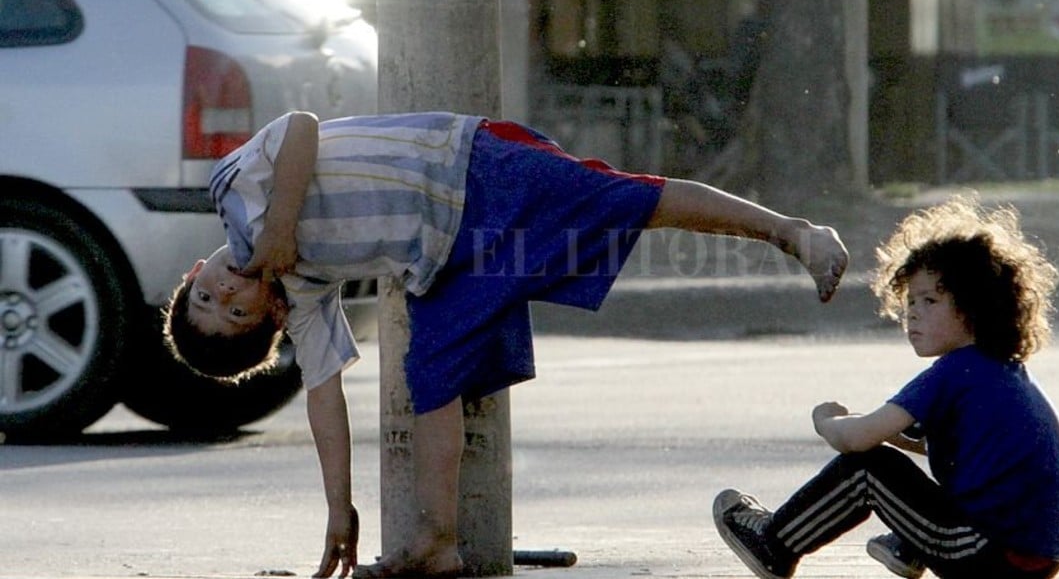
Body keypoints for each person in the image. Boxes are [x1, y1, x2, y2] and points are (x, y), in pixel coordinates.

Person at [163, 110, 850, 579]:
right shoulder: (302, 292)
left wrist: (280, 225)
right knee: (430, 374)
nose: (225, 292)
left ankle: (793, 233)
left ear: (194, 271)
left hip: (470, 163)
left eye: (206, 295)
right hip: (446, 258)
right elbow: (324, 400)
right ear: (271, 318)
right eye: (235, 313)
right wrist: (338, 508)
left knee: (625, 199)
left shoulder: (235, 194)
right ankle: (437, 541)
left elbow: (300, 128)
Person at [711, 195, 1059, 579]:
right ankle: (910, 545)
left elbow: (856, 440)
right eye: (911, 301)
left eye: (930, 300)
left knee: (868, 469)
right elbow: (930, 443)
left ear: (976, 307)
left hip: (987, 553)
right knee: (951, 469)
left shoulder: (955, 372)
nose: (913, 313)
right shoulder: (1000, 370)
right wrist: (880, 429)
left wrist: (828, 421)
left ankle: (774, 544)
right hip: (1037, 557)